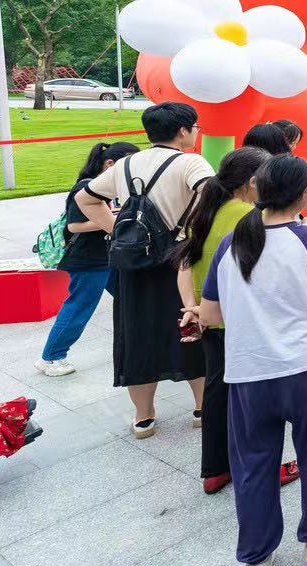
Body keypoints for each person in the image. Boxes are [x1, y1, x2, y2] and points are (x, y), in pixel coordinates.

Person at [198, 155, 307, 566]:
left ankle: (256, 560)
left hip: (247, 370)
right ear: (304, 195)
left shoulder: (231, 243)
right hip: (305, 367)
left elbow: (209, 312)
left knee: (252, 465)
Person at [75, 102, 211, 438]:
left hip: (132, 263)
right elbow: (211, 194)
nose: (195, 132)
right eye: (194, 127)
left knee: (136, 336)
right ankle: (202, 408)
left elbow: (86, 198)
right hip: (178, 259)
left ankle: (144, 417)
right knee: (191, 330)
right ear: (183, 130)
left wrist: (113, 230)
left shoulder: (124, 164)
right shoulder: (189, 161)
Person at [174, 146, 296, 494]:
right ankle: (264, 469)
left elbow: (184, 263)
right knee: (254, 401)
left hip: (209, 318)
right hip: (243, 323)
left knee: (217, 393)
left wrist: (192, 309)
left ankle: (214, 470)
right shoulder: (253, 218)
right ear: (252, 182)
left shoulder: (204, 211)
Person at [36, 140, 139, 376]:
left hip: (108, 256)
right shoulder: (87, 187)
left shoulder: (108, 187)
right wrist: (115, 221)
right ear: (109, 164)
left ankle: (140, 340)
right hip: (88, 259)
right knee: (80, 306)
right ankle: (51, 357)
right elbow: (74, 226)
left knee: (130, 294)